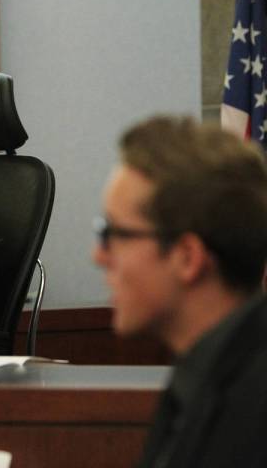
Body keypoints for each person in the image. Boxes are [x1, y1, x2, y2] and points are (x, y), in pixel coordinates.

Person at [92, 115, 267, 467]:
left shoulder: (253, 409)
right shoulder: (204, 371)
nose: (98, 256)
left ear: (187, 258)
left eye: (116, 235)